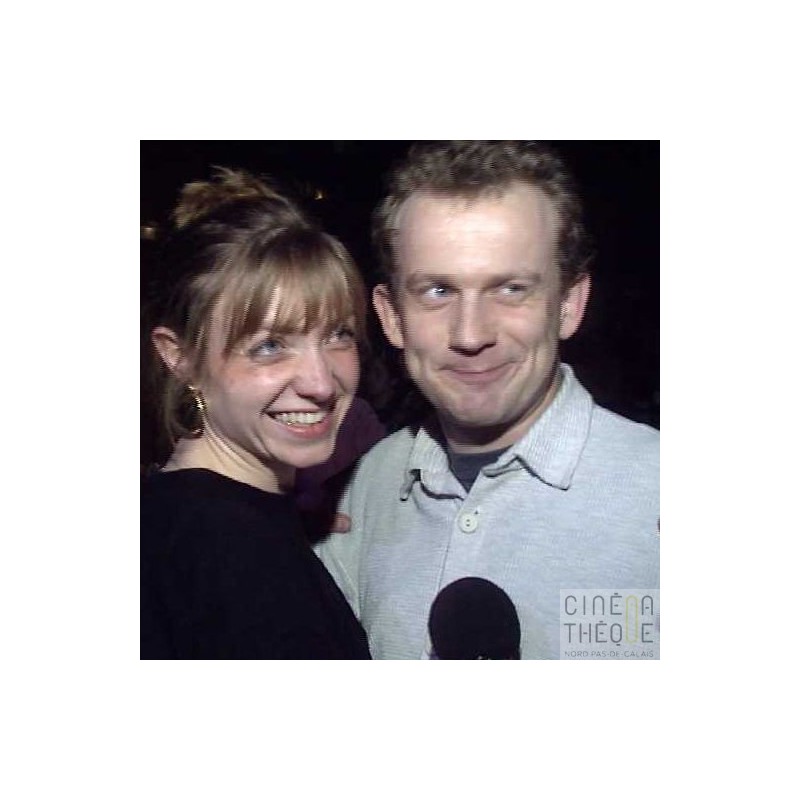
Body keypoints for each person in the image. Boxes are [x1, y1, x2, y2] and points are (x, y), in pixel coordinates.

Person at [316, 141, 659, 659]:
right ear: (391, 317)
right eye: (437, 291)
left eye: (511, 288)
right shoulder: (366, 489)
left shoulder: (657, 496)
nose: (471, 334)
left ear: (569, 304)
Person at [141, 167, 371, 659]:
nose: (321, 383)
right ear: (179, 357)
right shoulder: (228, 553)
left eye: (338, 334)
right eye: (269, 346)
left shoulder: (178, 513)